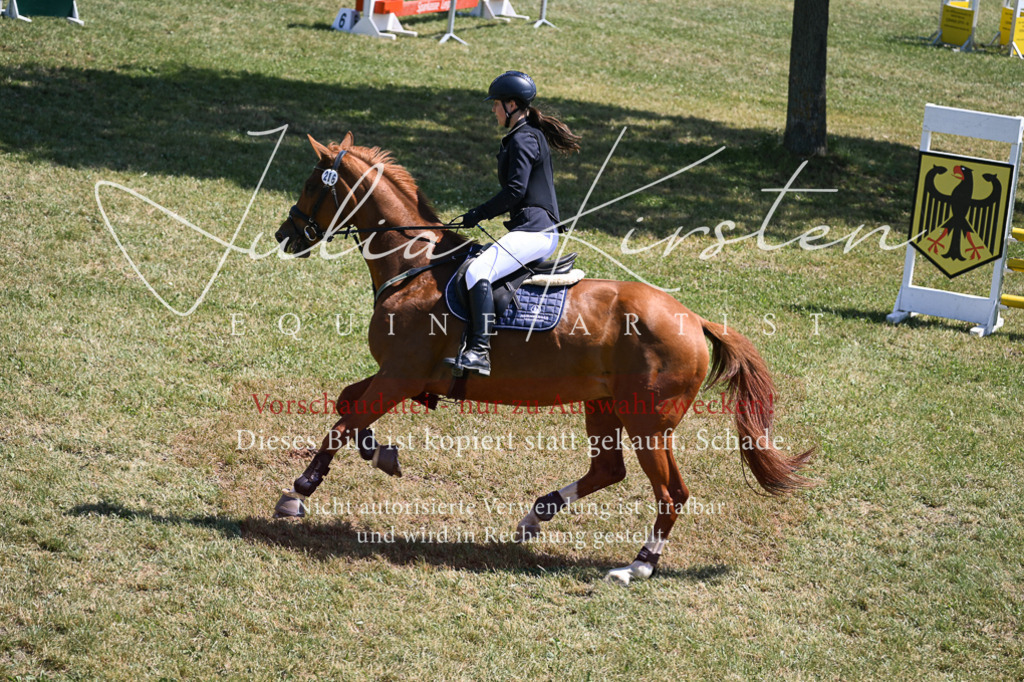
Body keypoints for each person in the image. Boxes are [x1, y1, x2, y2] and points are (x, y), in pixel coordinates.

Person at [444, 70, 581, 377]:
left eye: (496, 104)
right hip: (532, 229)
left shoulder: (524, 138)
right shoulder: (525, 134)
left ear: (512, 105)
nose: (493, 110)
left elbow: (516, 191)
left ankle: (479, 352)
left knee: (478, 271)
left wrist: (478, 213)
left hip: (536, 230)